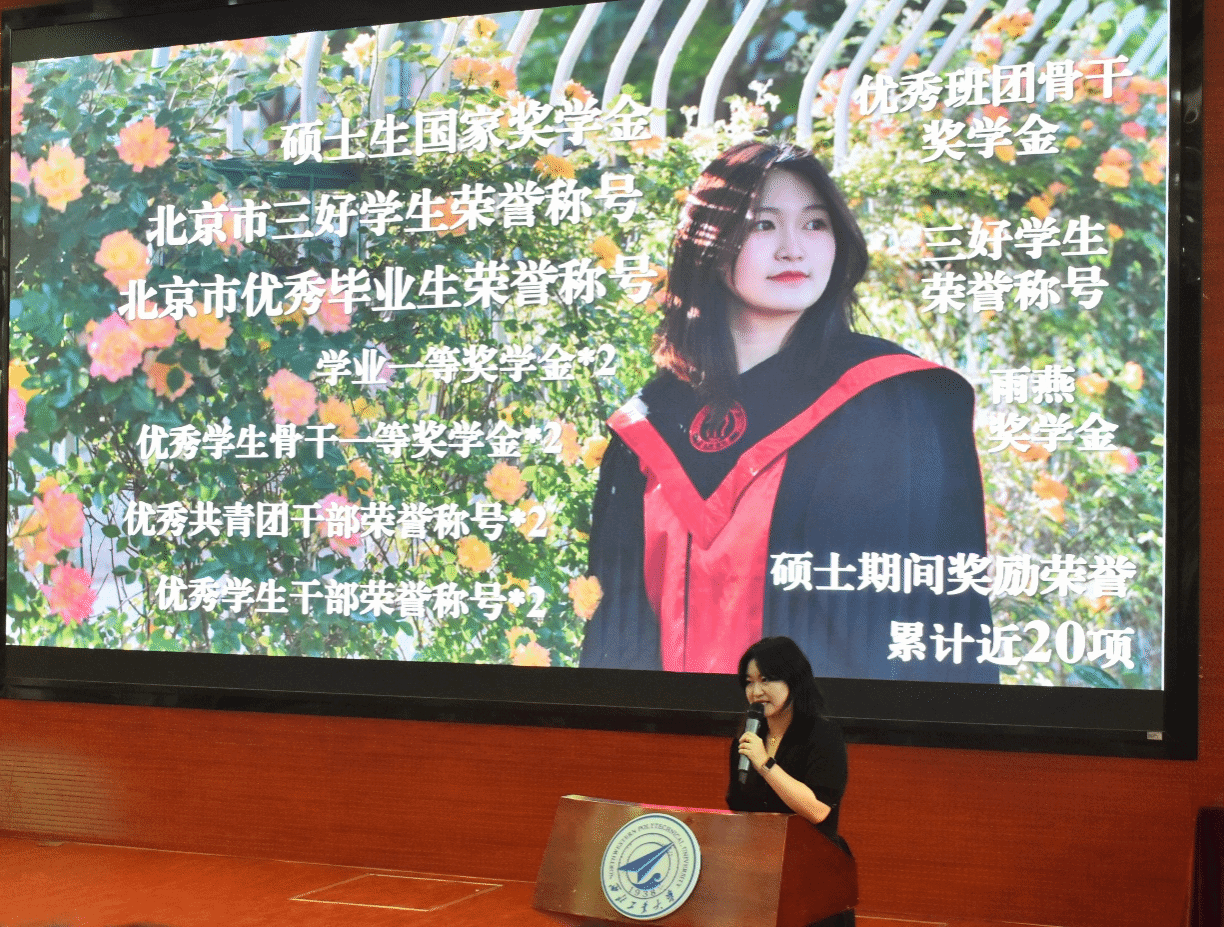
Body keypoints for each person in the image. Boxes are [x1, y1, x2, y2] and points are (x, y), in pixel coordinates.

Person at [580, 140, 995, 682]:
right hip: (673, 731)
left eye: (816, 224)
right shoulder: (650, 424)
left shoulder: (891, 400)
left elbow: (932, 618)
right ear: (707, 244)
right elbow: (617, 634)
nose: (794, 250)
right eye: (763, 225)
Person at [726, 636, 854, 927]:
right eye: (749, 682)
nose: (756, 691)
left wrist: (765, 764)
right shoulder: (748, 740)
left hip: (813, 880)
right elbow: (739, 807)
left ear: (793, 681)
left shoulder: (822, 735)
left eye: (766, 680)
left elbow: (818, 810)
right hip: (760, 878)